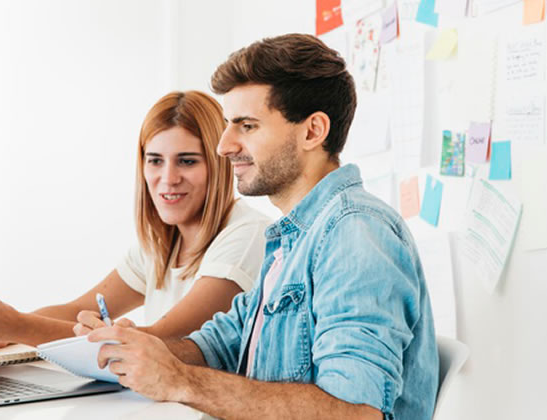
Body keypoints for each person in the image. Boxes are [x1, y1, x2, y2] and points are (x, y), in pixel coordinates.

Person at [88, 34, 439, 419]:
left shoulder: (356, 234)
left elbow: (355, 412)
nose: (224, 146)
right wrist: (130, 346)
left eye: (247, 126)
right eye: (228, 125)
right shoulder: (294, 237)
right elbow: (221, 345)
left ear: (312, 131)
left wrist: (180, 381)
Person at [0, 91, 270, 351]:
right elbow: (77, 309)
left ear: (219, 165)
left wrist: (17, 326)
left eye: (186, 161)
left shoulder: (246, 235)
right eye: (155, 161)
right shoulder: (161, 244)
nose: (167, 178)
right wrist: (1, 329)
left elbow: (160, 342)